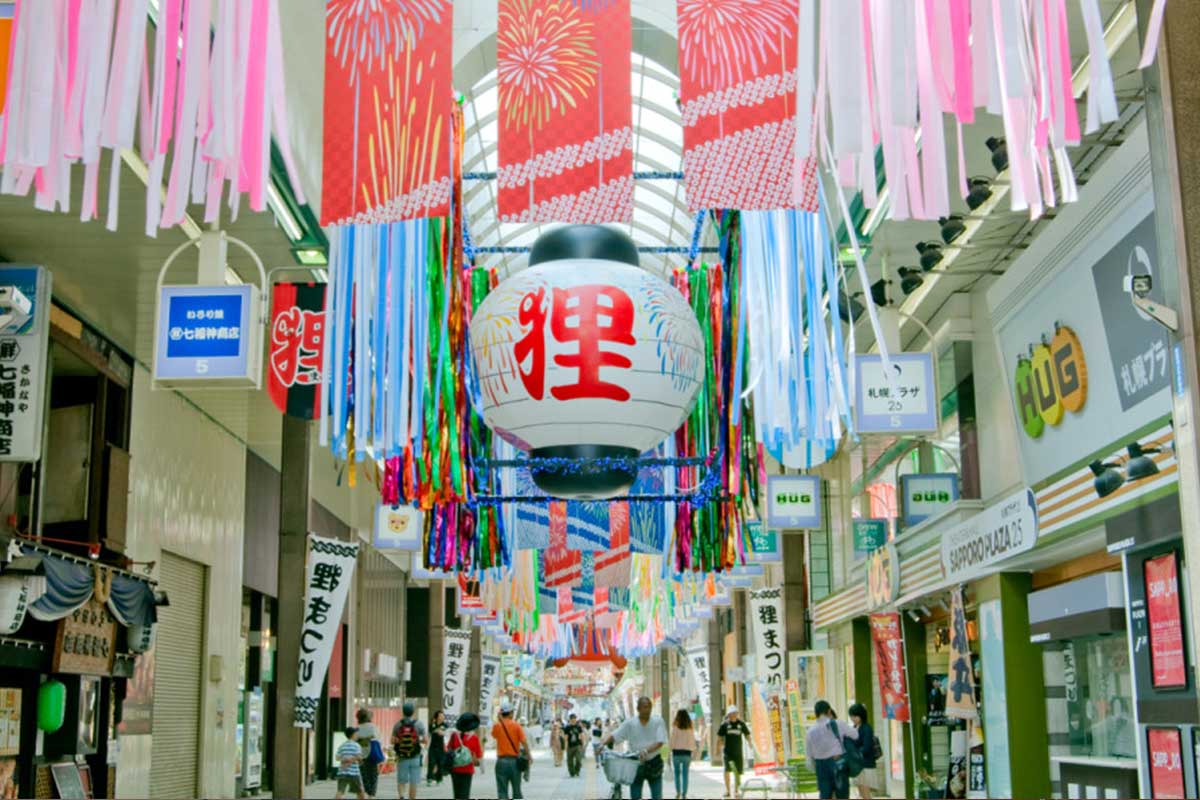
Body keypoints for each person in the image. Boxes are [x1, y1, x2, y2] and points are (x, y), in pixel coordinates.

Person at [604, 696, 668, 800]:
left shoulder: (658, 721)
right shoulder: (630, 723)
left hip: (654, 763)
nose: (647, 710)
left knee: (657, 796)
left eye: (649, 707)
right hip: (636, 764)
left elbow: (660, 742)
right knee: (635, 796)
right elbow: (615, 735)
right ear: (638, 709)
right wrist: (602, 745)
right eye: (644, 707)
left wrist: (646, 751)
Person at [805, 700, 859, 800]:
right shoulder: (838, 724)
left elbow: (809, 754)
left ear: (816, 714)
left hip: (820, 765)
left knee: (825, 796)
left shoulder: (810, 731)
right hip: (838, 763)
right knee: (842, 795)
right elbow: (855, 735)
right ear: (829, 711)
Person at [492, 702, 531, 799]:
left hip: (501, 762)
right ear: (510, 713)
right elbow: (524, 742)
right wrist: (529, 755)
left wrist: (498, 719)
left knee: (502, 791)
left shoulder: (497, 726)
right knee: (517, 790)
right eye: (512, 712)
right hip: (514, 762)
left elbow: (494, 735)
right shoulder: (517, 726)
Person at [391, 702, 428, 800]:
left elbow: (392, 741)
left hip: (402, 756)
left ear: (403, 712)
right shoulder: (419, 724)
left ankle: (402, 796)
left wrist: (401, 740)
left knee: (401, 780)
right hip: (415, 756)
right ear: (413, 712)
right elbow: (425, 740)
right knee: (414, 782)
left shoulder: (398, 724)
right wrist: (416, 740)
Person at [717, 705, 753, 799]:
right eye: (732, 713)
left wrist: (750, 743)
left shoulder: (741, 724)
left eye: (735, 713)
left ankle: (736, 790)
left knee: (737, 771)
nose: (734, 715)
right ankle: (728, 790)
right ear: (728, 714)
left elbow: (747, 734)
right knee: (727, 770)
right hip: (728, 752)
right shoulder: (724, 724)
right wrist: (717, 749)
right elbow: (719, 737)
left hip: (738, 751)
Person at [446, 712, 484, 800]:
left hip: (455, 769)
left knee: (456, 794)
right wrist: (482, 769)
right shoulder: (474, 738)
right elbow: (479, 755)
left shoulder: (454, 735)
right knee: (465, 794)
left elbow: (448, 749)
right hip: (468, 770)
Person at [847, 704, 877, 800]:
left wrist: (854, 753)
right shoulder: (855, 727)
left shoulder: (866, 728)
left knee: (866, 794)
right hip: (858, 765)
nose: (853, 718)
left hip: (865, 764)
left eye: (855, 716)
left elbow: (867, 747)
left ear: (861, 715)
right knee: (861, 793)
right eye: (851, 716)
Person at [669, 709, 696, 800]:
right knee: (685, 774)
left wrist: (670, 749)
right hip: (686, 753)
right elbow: (692, 740)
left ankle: (678, 793)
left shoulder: (675, 727)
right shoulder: (690, 727)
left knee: (677, 774)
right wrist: (693, 750)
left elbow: (672, 739)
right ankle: (684, 794)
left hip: (676, 753)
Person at [356, 708, 381, 800]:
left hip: (361, 755)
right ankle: (372, 794)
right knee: (373, 774)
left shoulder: (357, 728)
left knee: (363, 775)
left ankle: (367, 791)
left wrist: (362, 740)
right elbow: (377, 738)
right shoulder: (373, 727)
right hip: (372, 753)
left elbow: (356, 741)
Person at [335, 726, 366, 800]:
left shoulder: (342, 746)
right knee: (360, 792)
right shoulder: (356, 745)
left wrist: (346, 761)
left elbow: (337, 758)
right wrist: (358, 760)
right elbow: (359, 757)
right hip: (354, 773)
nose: (358, 735)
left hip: (342, 772)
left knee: (340, 791)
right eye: (357, 733)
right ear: (353, 735)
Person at [427, 709, 447, 786]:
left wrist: (440, 731)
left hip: (441, 747)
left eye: (443, 716)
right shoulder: (433, 724)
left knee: (440, 763)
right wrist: (437, 730)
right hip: (432, 747)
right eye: (441, 716)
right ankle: (429, 778)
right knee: (431, 763)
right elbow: (431, 731)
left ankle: (439, 779)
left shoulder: (444, 725)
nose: (442, 717)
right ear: (437, 717)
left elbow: (445, 732)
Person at [564, 713, 587, 777]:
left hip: (577, 745)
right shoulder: (567, 727)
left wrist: (583, 744)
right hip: (570, 746)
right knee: (570, 761)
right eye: (572, 719)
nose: (574, 720)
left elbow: (582, 735)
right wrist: (566, 747)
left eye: (575, 718)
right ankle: (572, 772)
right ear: (570, 719)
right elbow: (566, 738)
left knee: (578, 760)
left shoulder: (578, 727)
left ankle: (577, 771)